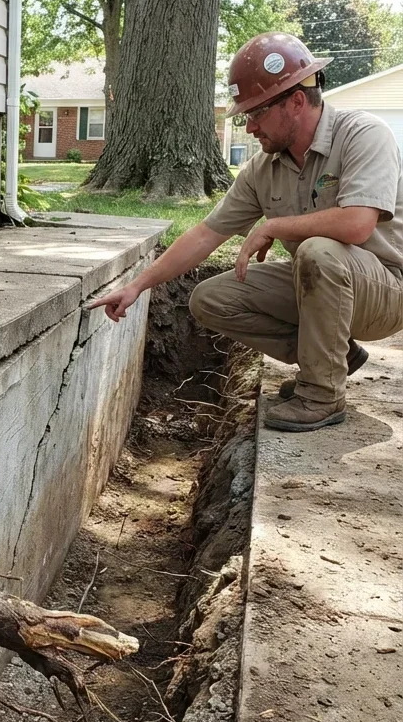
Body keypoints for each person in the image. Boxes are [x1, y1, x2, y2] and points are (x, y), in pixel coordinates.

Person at [89, 32, 403, 432]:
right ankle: (331, 357)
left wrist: (275, 225)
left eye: (257, 113)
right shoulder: (263, 169)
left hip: (385, 292)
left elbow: (357, 223)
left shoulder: (363, 134)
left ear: (296, 101)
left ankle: (321, 395)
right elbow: (206, 234)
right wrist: (136, 286)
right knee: (210, 299)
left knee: (318, 251)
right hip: (324, 286)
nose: (250, 127)